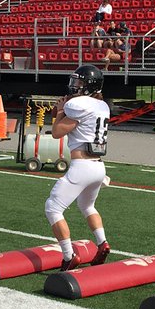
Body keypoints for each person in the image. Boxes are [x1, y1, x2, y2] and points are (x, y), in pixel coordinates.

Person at [45, 64, 112, 271]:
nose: (75, 85)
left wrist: (60, 111)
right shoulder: (102, 105)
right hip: (98, 167)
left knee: (53, 208)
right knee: (87, 206)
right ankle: (102, 243)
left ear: (89, 85)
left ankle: (69, 256)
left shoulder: (79, 104)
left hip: (81, 166)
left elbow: (57, 132)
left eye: (79, 82)